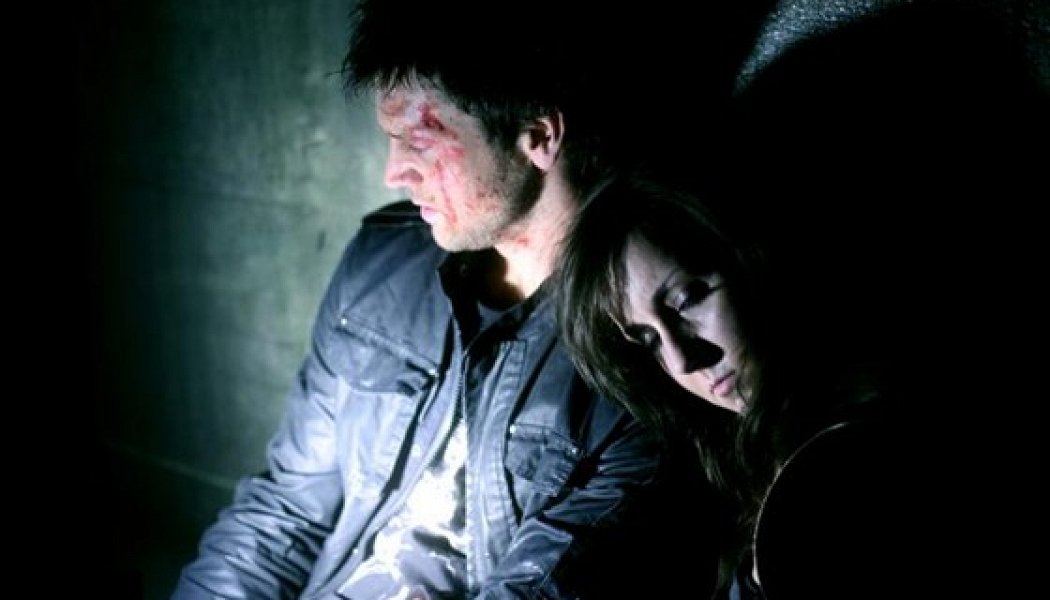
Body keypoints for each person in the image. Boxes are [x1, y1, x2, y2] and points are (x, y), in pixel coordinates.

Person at [173, 1, 728, 598]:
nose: (394, 173)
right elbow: (285, 510)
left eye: (420, 140)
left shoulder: (644, 345)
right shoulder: (383, 265)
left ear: (538, 136)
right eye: (391, 141)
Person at [554, 172, 944, 598]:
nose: (682, 359)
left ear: (750, 258)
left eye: (687, 299)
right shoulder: (740, 469)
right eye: (649, 340)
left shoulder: (859, 447)